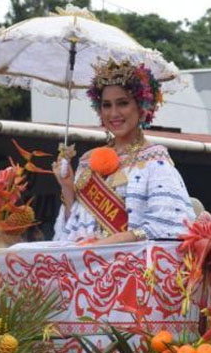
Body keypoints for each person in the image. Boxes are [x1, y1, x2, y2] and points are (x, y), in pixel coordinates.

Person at [52, 59, 195, 244]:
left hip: (132, 266)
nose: (113, 113)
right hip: (85, 264)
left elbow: (169, 226)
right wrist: (68, 187)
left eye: (122, 103)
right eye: (106, 105)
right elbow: (73, 227)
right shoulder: (88, 161)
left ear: (142, 107)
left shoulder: (155, 161)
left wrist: (114, 241)